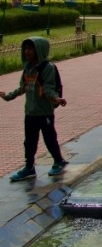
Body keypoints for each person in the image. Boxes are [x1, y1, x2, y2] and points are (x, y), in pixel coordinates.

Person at [1, 37, 68, 181]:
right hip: (30, 112)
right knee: (29, 141)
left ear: (39, 50)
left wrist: (56, 99)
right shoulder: (28, 68)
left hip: (44, 112)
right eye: (26, 49)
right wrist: (7, 96)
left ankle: (58, 161)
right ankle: (29, 168)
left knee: (49, 138)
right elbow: (22, 88)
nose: (27, 52)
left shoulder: (47, 68)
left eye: (30, 49)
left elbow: (49, 88)